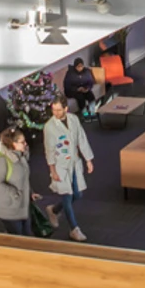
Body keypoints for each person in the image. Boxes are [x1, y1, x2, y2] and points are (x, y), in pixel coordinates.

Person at [43, 96, 94, 242]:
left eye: (59, 110)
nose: (56, 113)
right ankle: (74, 229)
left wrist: (88, 159)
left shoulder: (74, 119)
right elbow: (49, 149)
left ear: (66, 109)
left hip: (74, 162)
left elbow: (81, 139)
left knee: (78, 194)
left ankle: (54, 209)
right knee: (67, 195)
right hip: (60, 165)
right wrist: (52, 170)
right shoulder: (49, 126)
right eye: (54, 110)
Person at [0, 127, 37, 235]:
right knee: (19, 240)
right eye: (22, 142)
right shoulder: (3, 161)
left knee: (26, 238)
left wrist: (30, 192)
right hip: (8, 211)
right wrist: (14, 193)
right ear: (13, 144)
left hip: (22, 207)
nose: (25, 144)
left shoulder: (22, 158)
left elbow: (24, 179)